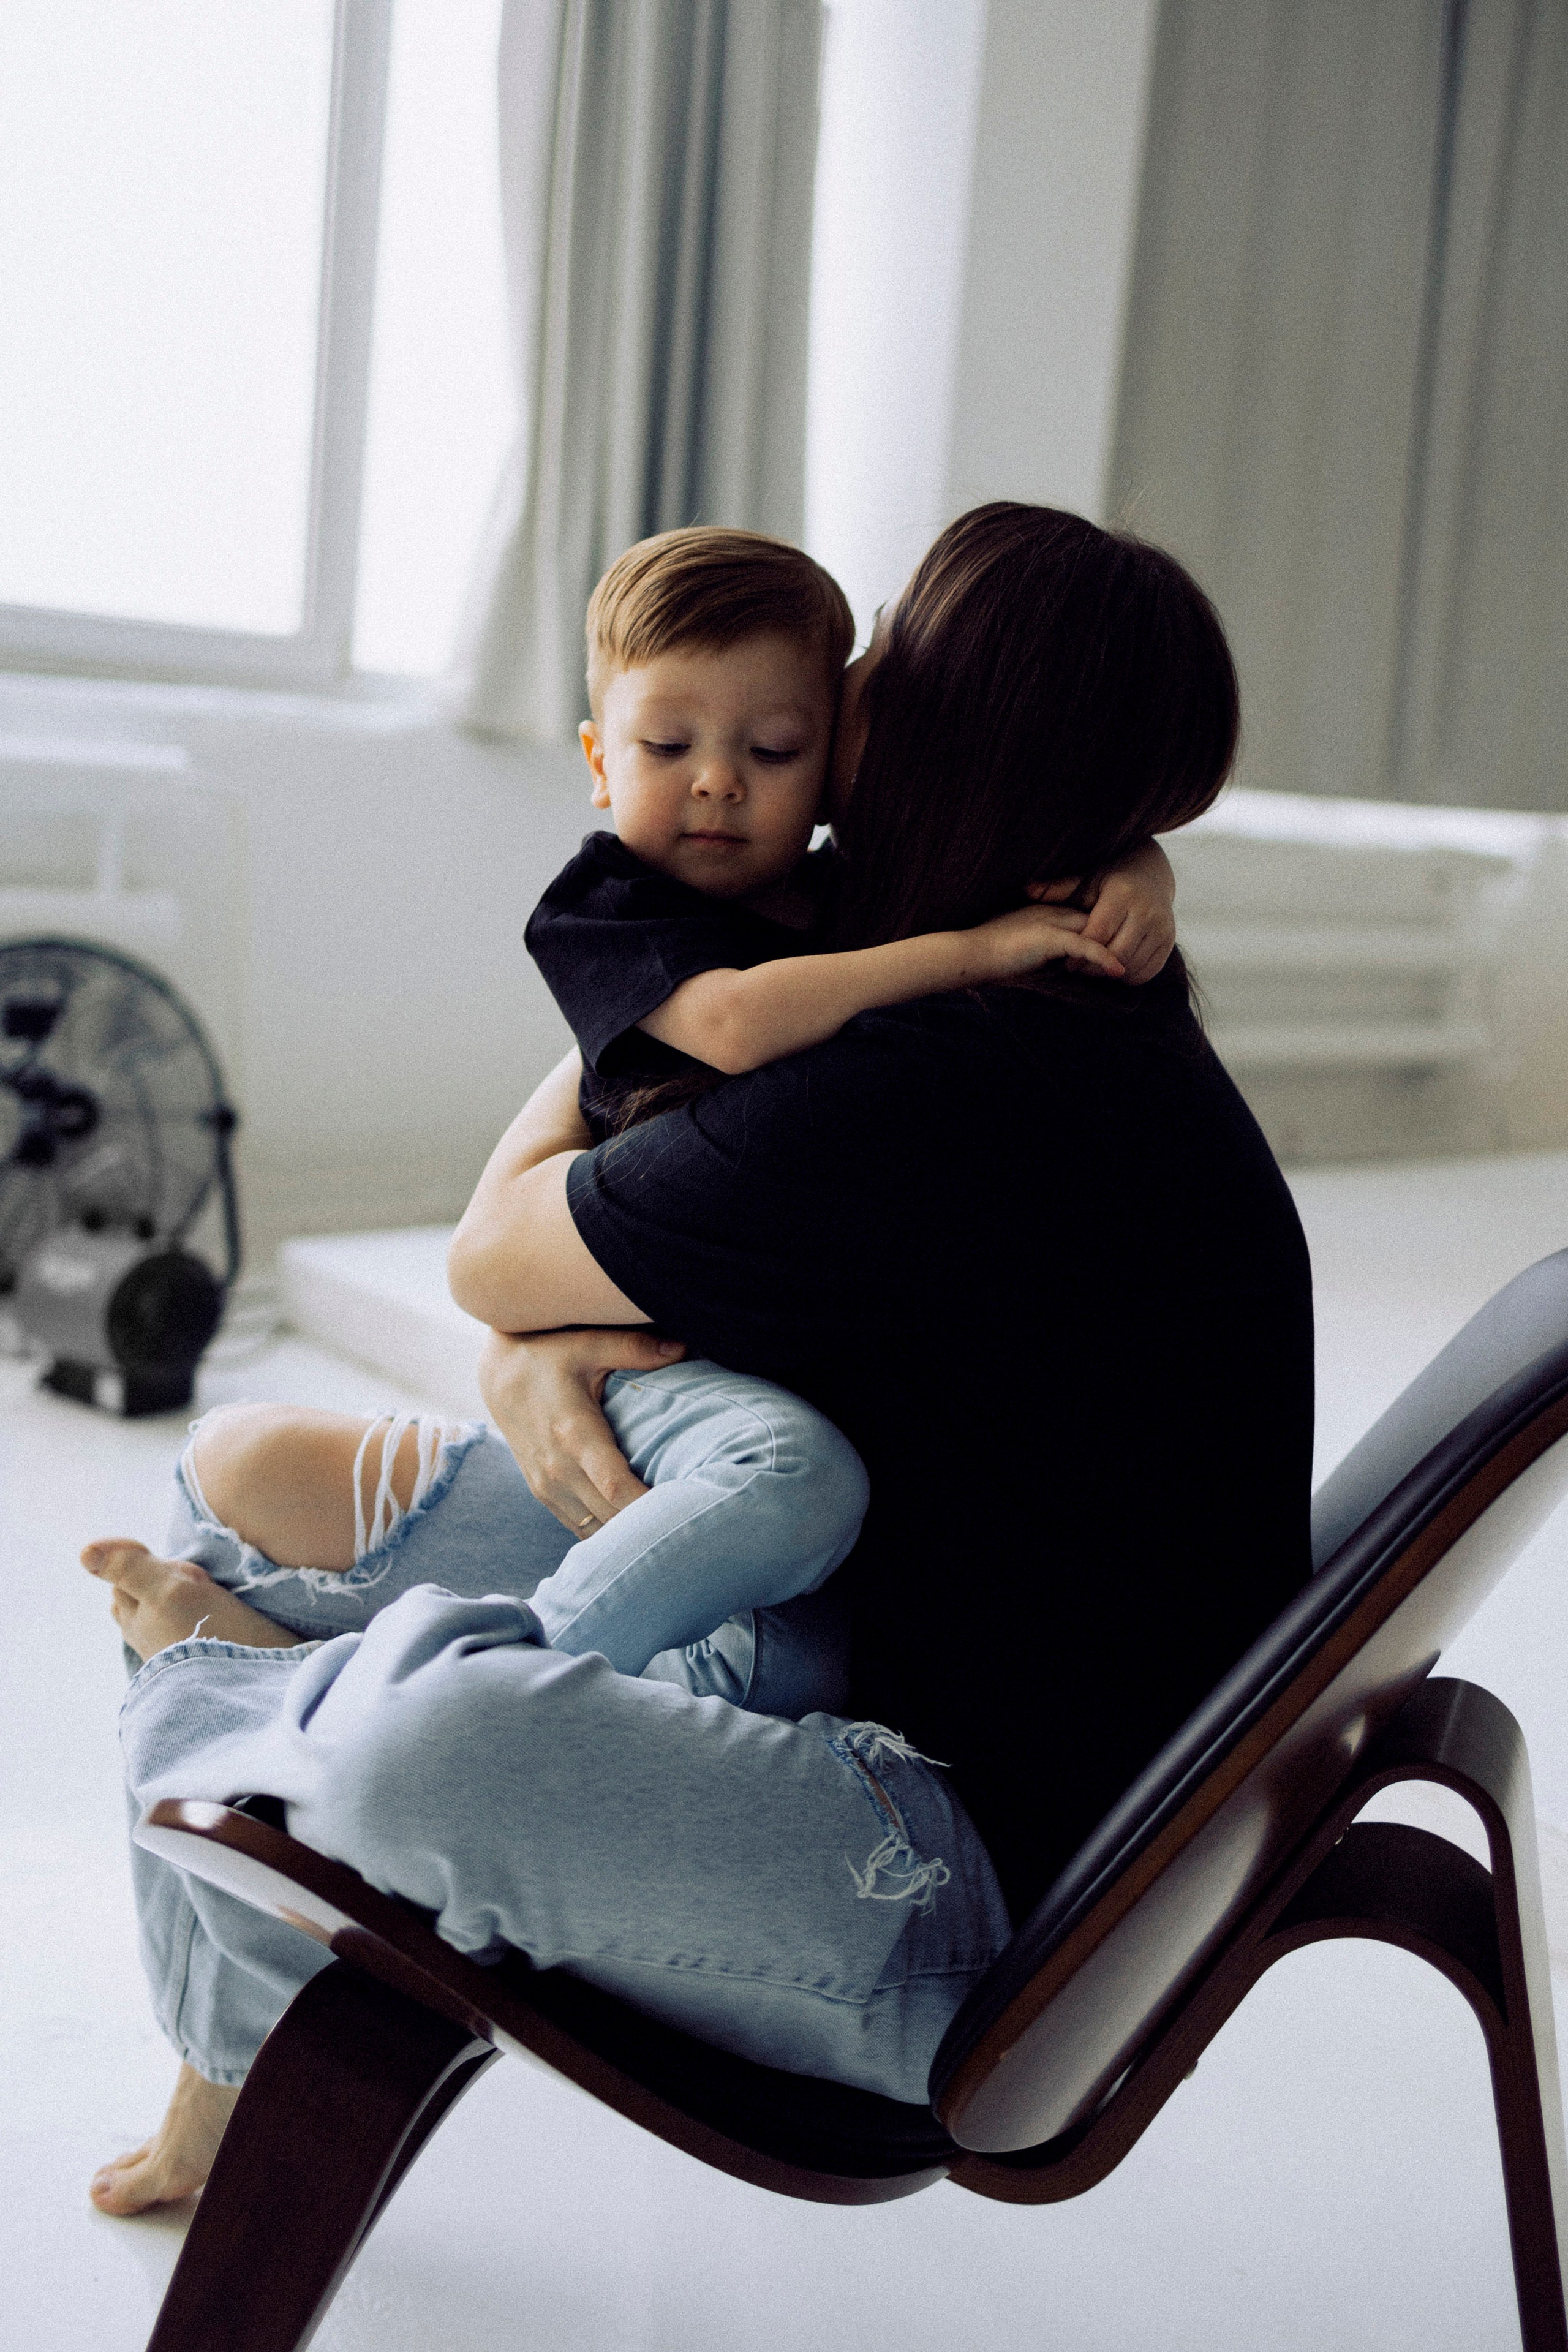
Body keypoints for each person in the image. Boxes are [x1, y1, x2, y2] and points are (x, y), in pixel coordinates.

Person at [81, 503, 1314, 2220]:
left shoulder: (931, 1080)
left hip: (937, 1886)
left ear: (929, 734)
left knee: (407, 1760)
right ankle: (232, 2048)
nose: (844, 694)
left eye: (882, 665)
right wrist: (527, 1352)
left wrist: (524, 1341)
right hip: (847, 1630)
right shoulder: (1053, 987)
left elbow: (496, 1250)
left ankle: (246, 1688)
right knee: (244, 1475)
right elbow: (571, 1199)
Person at [508, 522, 1179, 1716]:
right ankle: (493, 1684)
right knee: (790, 1488)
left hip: (724, 1323)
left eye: (773, 748)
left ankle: (539, 1701)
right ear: (598, 759)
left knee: (789, 1653)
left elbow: (1053, 828)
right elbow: (726, 1027)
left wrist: (1132, 857)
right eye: (668, 745)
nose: (716, 781)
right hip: (659, 1339)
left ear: (823, 765)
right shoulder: (605, 905)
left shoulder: (840, 897)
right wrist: (969, 951)